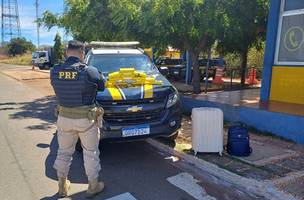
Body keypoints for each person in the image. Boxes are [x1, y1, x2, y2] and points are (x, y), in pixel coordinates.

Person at [50, 40, 105, 198]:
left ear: (67, 52)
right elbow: (102, 86)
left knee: (64, 152)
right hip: (86, 120)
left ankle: (62, 185)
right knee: (90, 152)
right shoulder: (90, 71)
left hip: (64, 118)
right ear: (82, 53)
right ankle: (93, 186)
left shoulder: (55, 70)